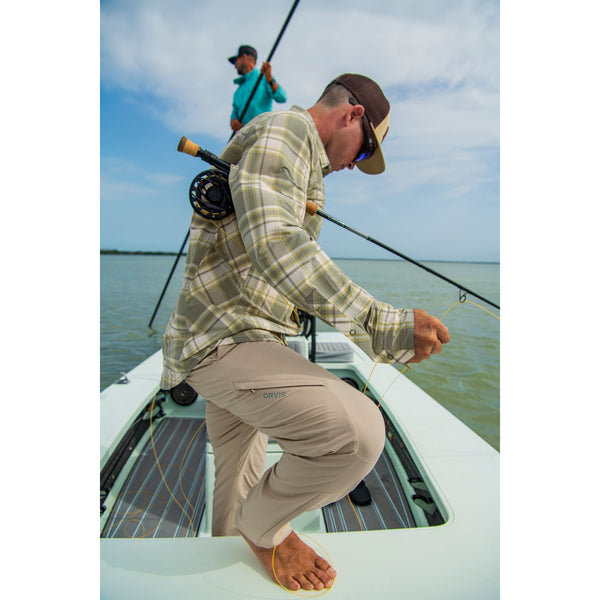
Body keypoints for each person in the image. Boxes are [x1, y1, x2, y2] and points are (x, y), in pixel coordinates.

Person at [161, 73, 450, 591]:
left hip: (238, 340)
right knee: (360, 433)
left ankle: (233, 572)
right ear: (352, 116)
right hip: (228, 341)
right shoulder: (286, 132)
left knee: (238, 484)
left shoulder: (286, 147)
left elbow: (277, 248)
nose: (355, 166)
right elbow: (278, 245)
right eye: (364, 153)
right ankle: (264, 530)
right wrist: (385, 325)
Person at [228, 44, 287, 133]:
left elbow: (282, 97)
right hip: (244, 138)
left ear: (244, 57)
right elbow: (234, 115)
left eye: (235, 60)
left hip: (262, 133)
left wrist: (270, 79)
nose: (234, 65)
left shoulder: (264, 77)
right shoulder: (237, 92)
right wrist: (233, 122)